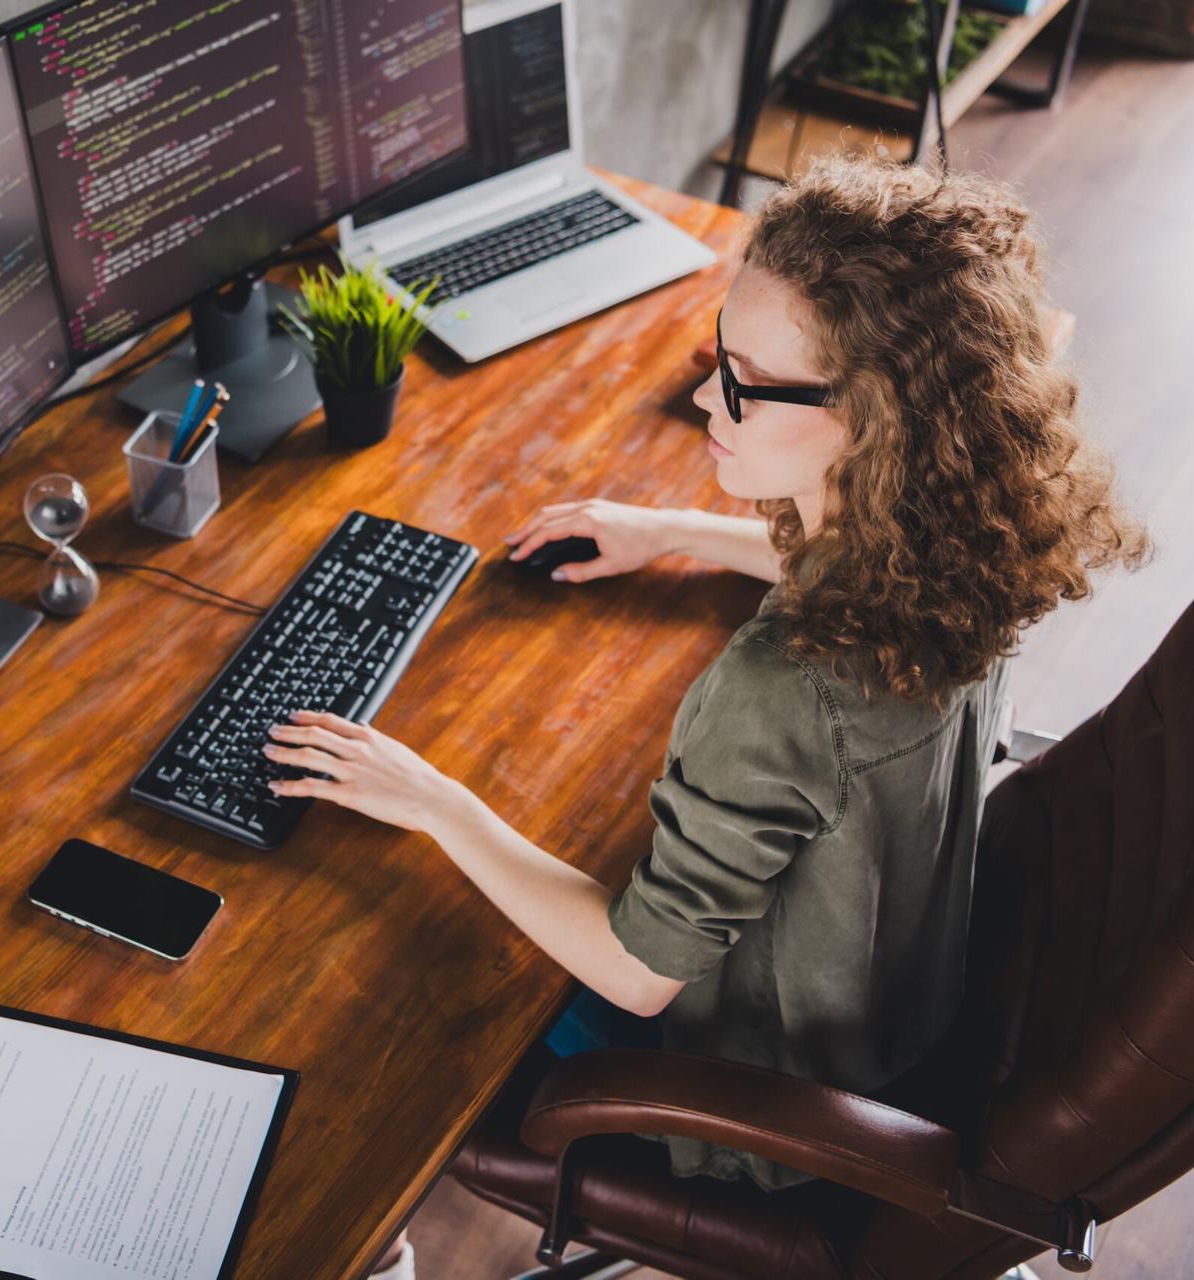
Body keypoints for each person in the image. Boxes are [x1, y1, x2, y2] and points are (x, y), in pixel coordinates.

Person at [269, 157, 1147, 1279]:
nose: (702, 399)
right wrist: (674, 527)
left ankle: (373, 1252)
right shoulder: (976, 540)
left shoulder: (785, 685)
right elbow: (833, 566)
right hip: (902, 994)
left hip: (754, 1100)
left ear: (871, 418)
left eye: (742, 380)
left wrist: (431, 798)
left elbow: (638, 970)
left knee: (373, 993)